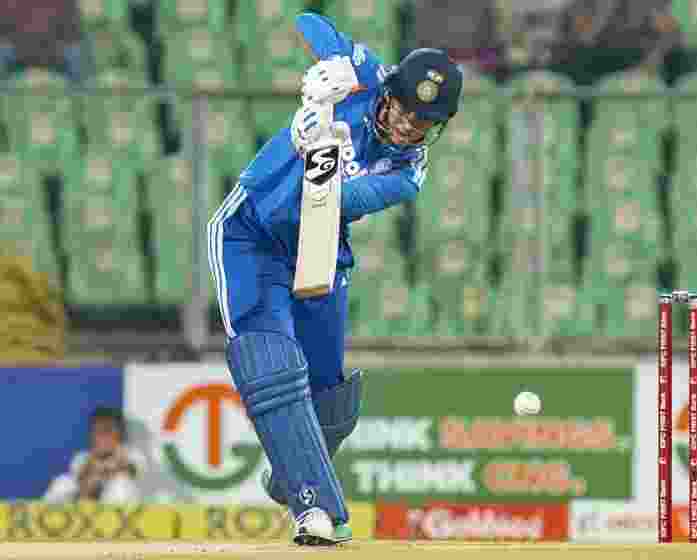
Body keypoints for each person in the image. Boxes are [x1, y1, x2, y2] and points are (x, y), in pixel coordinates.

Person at [206, 12, 462, 546]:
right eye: (405, 110)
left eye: (423, 122)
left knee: (332, 399)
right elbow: (309, 22)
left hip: (319, 246)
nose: (408, 127)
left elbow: (340, 197)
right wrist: (337, 68)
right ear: (390, 93)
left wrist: (316, 150)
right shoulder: (370, 75)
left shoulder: (407, 173)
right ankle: (317, 510)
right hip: (252, 233)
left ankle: (289, 476)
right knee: (271, 362)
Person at [43, 407, 145, 503]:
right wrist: (94, 460)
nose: (102, 435)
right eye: (97, 430)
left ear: (119, 433)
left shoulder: (132, 454)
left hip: (118, 507)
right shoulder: (82, 457)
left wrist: (115, 458)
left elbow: (131, 470)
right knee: (63, 481)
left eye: (107, 430)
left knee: (120, 483)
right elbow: (80, 480)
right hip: (87, 503)